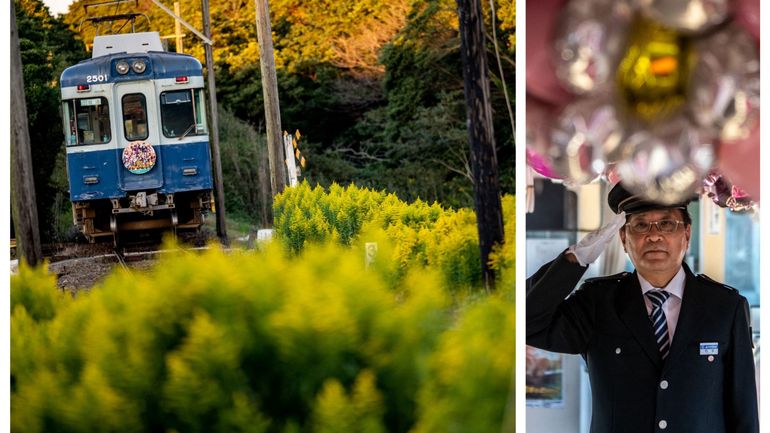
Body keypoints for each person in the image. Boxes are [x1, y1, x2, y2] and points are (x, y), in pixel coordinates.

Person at [526, 183, 759, 433]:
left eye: (667, 224)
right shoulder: (599, 302)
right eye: (640, 225)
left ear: (687, 235)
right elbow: (528, 323)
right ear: (624, 239)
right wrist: (576, 259)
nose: (654, 235)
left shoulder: (725, 307)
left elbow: (743, 410)